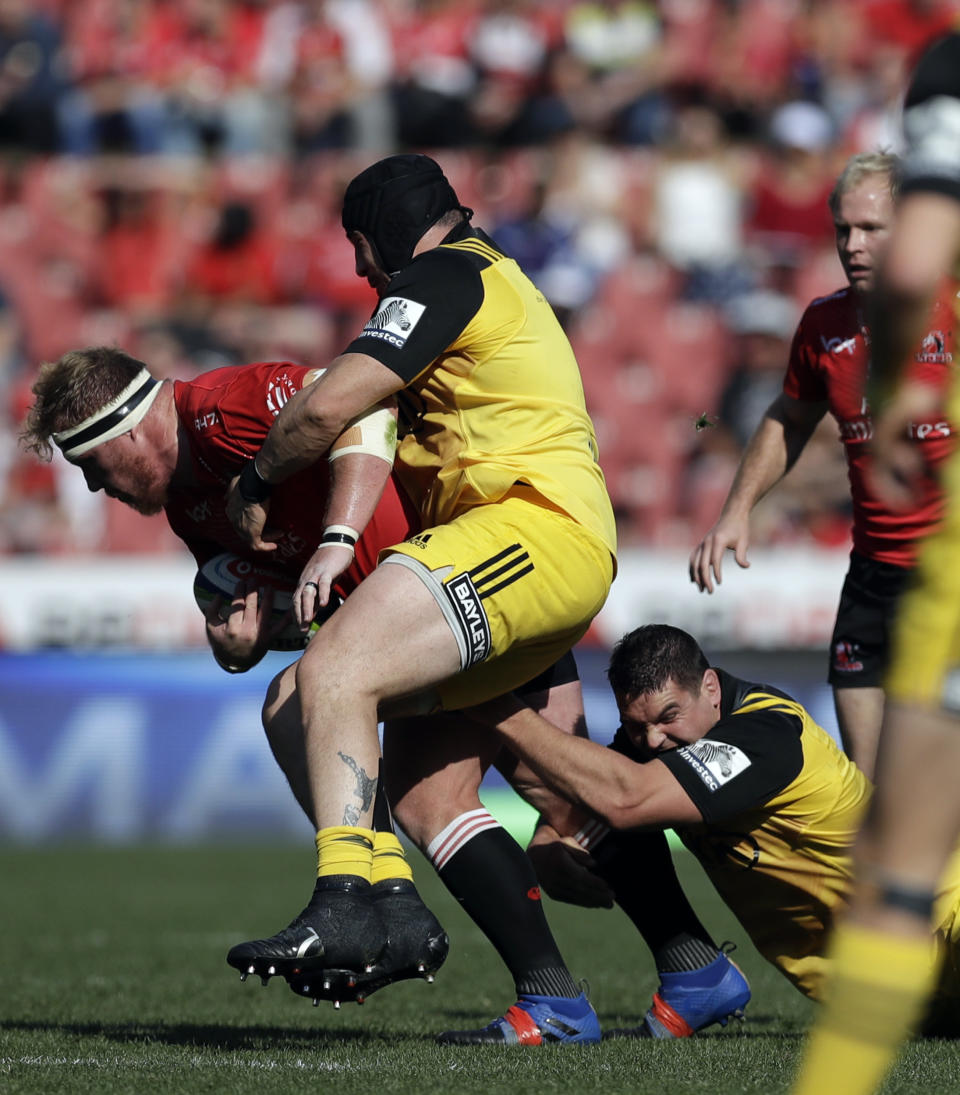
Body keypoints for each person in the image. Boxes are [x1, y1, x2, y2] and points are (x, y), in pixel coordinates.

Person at [21, 345, 616, 1044]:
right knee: (459, 804)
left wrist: (338, 537)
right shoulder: (190, 505)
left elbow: (365, 409)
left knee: (577, 816)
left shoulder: (222, 410)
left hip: (461, 583)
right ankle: (620, 981)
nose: (95, 488)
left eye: (90, 464)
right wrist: (240, 642)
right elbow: (286, 609)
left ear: (122, 428)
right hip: (414, 621)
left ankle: (378, 903)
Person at [223, 153, 618, 1043]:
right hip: (516, 549)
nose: (363, 271)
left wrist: (255, 476)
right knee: (355, 744)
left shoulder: (446, 275)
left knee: (335, 672)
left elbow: (328, 410)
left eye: (361, 250)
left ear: (382, 238)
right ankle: (556, 989)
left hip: (529, 532)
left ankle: (347, 901)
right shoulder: (488, 280)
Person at [471, 624, 960, 1038]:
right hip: (888, 999)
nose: (653, 741)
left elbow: (626, 798)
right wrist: (546, 842)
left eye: (668, 717)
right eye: (635, 727)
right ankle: (694, 977)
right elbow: (591, 791)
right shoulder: (657, 741)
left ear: (709, 687)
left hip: (945, 923)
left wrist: (490, 706)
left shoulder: (768, 734)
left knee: (625, 798)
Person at [792, 32, 960, 1095]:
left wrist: (898, 387)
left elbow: (911, 268)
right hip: (907, 574)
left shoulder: (945, 76)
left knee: (899, 857)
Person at [689, 150, 957, 779]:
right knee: (870, 781)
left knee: (935, 781)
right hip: (872, 576)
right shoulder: (823, 323)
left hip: (947, 573)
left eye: (872, 229)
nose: (852, 244)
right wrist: (736, 511)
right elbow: (790, 415)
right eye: (843, 229)